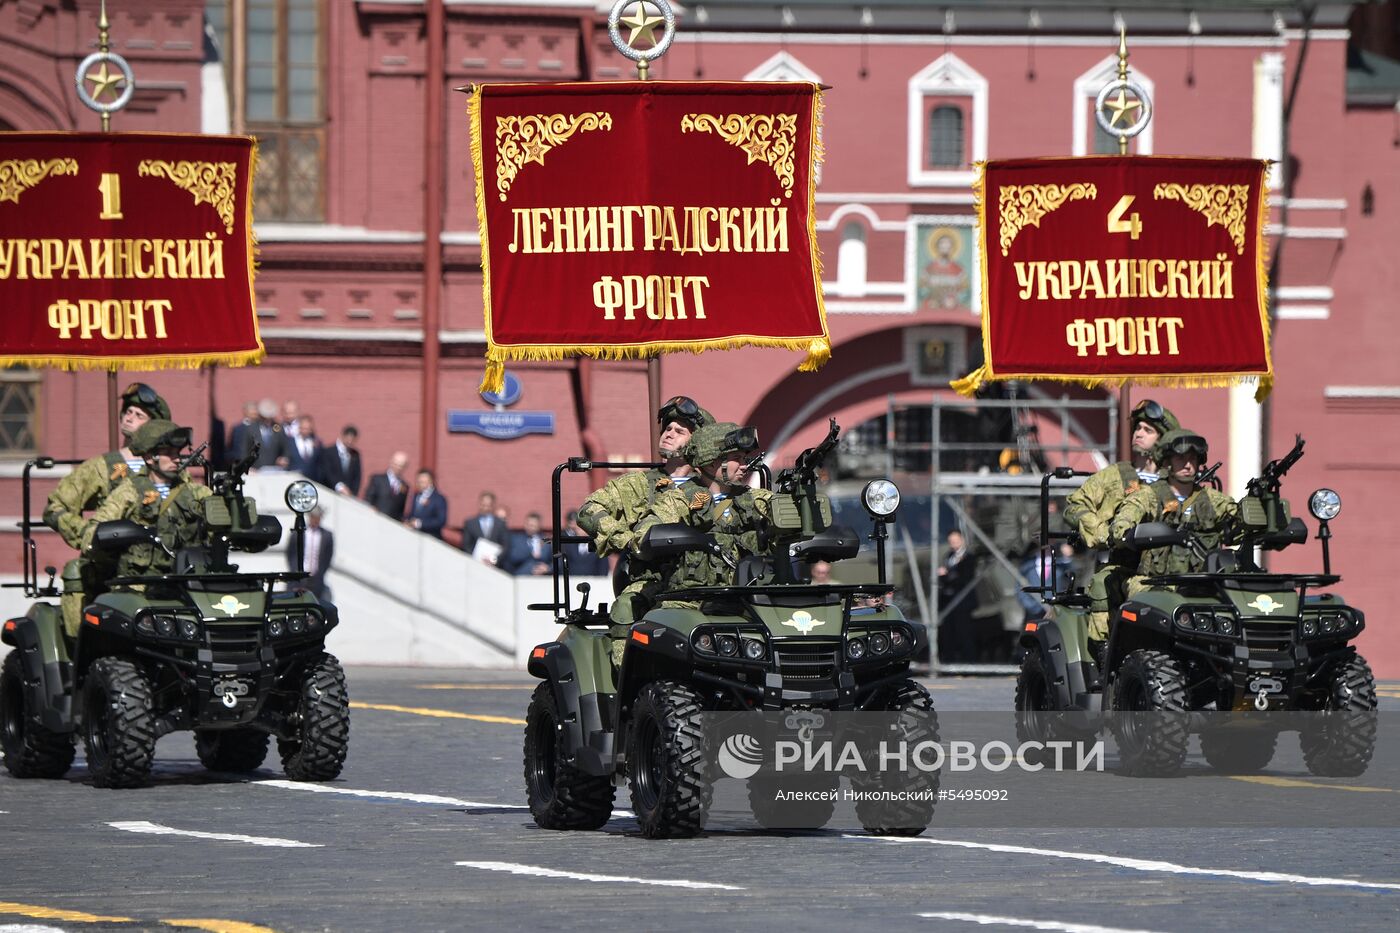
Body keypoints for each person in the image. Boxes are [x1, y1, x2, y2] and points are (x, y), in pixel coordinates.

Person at [621, 422, 770, 665]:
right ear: (713, 463)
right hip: (687, 601)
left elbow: (786, 515)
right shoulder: (683, 498)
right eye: (736, 458)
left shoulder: (752, 499)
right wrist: (679, 536)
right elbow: (646, 532)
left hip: (744, 600)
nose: (744, 465)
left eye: (745, 458)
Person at [43, 382, 171, 638]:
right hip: (114, 564)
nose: (129, 417)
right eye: (128, 412)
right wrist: (93, 534)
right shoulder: (104, 466)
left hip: (164, 561)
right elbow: (55, 507)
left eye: (139, 415)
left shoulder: (168, 465)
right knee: (76, 573)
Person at [1063, 398, 1180, 644]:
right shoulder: (1116, 475)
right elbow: (1075, 504)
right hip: (1126, 565)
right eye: (1138, 428)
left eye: (1148, 430)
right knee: (1102, 584)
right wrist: (1101, 532)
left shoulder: (1177, 480)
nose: (1138, 433)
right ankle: (1104, 650)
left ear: (1165, 439)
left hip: (1173, 568)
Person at [576, 394, 714, 580]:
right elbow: (588, 511)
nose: (669, 434)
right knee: (625, 608)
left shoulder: (710, 486)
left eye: (679, 432)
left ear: (697, 443)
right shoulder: (638, 484)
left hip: (702, 584)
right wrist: (628, 541)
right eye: (668, 428)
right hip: (647, 584)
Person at [80, 420, 213, 583]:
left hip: (187, 583)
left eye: (177, 453)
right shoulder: (129, 492)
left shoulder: (195, 492)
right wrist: (126, 534)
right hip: (139, 586)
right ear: (150, 458)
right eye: (169, 453)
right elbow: (91, 535)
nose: (177, 459)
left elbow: (224, 524)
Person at [1109, 429, 1239, 589]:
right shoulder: (1149, 495)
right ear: (1166, 462)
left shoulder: (1213, 500)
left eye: (1192, 459)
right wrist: (1125, 532)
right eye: (1181, 458)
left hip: (1202, 585)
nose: (1188, 465)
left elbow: (1240, 522)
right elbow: (1123, 521)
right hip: (1152, 584)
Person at [936, 529, 978, 663]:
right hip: (948, 601)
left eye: (956, 541)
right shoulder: (949, 556)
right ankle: (949, 662)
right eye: (951, 542)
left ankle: (970, 662)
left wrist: (946, 575)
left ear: (962, 540)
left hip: (963, 601)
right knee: (948, 634)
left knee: (964, 633)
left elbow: (964, 578)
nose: (953, 544)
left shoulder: (969, 557)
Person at [287, 506, 334, 601]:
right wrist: (294, 570)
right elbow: (290, 553)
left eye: (318, 517)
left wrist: (320, 573)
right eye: (314, 517)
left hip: (316, 578)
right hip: (299, 577)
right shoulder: (298, 533)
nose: (315, 520)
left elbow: (327, 557)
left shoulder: (326, 536)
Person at [461, 491, 509, 562]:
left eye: (488, 505)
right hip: (475, 562)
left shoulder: (500, 524)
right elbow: (466, 545)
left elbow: (505, 545)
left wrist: (494, 559)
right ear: (479, 504)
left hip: (494, 565)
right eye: (483, 505)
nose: (485, 508)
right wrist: (475, 558)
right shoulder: (470, 523)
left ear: (493, 506)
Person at [316, 424, 362, 496]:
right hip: (329, 491)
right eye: (349, 438)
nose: (350, 441)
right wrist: (339, 486)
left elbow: (357, 477)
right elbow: (327, 472)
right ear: (343, 436)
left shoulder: (355, 454)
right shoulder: (328, 452)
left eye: (353, 440)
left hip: (347, 495)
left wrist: (353, 493)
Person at [364, 451, 411, 520]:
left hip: (393, 523)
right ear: (391, 462)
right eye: (396, 464)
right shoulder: (377, 479)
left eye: (401, 465)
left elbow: (401, 509)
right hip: (376, 519)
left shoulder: (405, 486)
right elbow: (368, 498)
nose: (398, 467)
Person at [563, 510, 609, 575]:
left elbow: (603, 568)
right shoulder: (570, 545)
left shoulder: (598, 546)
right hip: (573, 581)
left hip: (593, 581)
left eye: (580, 528)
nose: (576, 530)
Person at [504, 512, 552, 576]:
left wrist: (548, 568)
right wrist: (532, 550)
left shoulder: (546, 540)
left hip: (543, 578)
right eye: (528, 524)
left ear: (539, 526)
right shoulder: (516, 539)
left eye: (533, 525)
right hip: (522, 577)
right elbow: (512, 558)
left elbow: (557, 560)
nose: (530, 527)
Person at [407, 468, 447, 538]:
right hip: (414, 536)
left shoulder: (439, 499)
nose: (420, 484)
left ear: (431, 482)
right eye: (418, 481)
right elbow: (411, 514)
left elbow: (440, 521)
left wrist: (419, 523)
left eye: (423, 482)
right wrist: (407, 521)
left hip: (431, 537)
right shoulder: (416, 496)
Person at [285, 413, 322, 482]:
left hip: (312, 480)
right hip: (293, 479)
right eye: (303, 428)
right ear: (299, 427)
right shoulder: (290, 442)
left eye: (308, 429)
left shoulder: (317, 443)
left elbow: (319, 463)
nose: (305, 431)